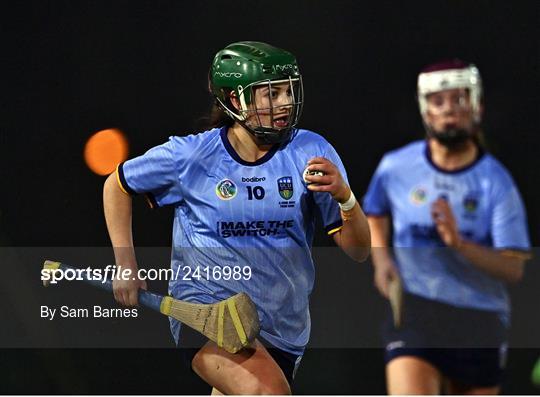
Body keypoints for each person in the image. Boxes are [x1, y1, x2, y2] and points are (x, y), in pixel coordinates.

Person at [103, 41, 370, 394]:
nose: (284, 104)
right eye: (270, 94)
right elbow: (117, 185)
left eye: (287, 91)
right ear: (234, 101)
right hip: (206, 310)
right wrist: (126, 263)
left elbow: (359, 250)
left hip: (282, 330)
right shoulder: (193, 155)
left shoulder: (311, 151)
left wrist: (345, 197)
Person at [363, 59, 531, 394]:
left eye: (459, 99)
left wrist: (459, 244)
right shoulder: (396, 167)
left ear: (477, 106)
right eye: (439, 101)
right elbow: (375, 213)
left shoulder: (495, 183)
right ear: (425, 109)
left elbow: (513, 269)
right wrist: (382, 261)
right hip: (416, 311)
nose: (449, 110)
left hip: (478, 319)